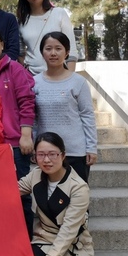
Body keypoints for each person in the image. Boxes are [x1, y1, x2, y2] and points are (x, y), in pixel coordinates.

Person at [19, 132, 97, 256]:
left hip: (73, 246)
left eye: (52, 154)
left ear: (63, 155)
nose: (47, 160)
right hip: (44, 239)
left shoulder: (78, 187)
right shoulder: (35, 175)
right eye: (41, 154)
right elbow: (10, 190)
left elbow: (68, 231)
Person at [0, 28, 35, 236]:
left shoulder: (14, 69)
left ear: (2, 44)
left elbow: (27, 102)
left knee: (20, 194)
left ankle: (25, 240)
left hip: (13, 144)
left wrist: (26, 135)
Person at [33, 32, 97, 182]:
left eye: (58, 48)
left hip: (74, 151)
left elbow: (87, 115)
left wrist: (91, 147)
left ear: (67, 52)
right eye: (48, 48)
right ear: (42, 52)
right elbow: (33, 118)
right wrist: (33, 146)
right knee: (48, 194)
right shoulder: (34, 82)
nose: (53, 53)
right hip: (46, 153)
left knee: (77, 193)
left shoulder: (78, 82)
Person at [16, 0, 77, 75]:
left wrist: (69, 78)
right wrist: (26, 72)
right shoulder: (21, 21)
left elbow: (72, 50)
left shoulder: (59, 13)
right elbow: (20, 52)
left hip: (59, 75)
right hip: (32, 77)